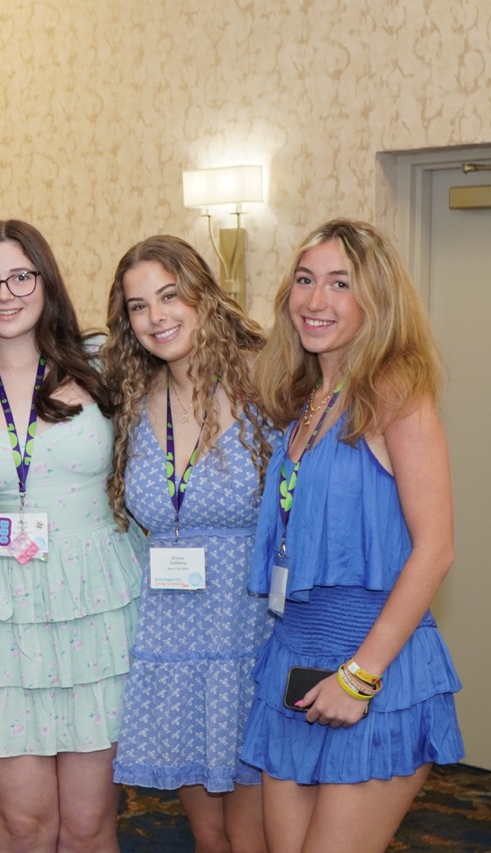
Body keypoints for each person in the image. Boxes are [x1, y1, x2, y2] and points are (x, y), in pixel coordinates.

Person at [241, 219, 463, 852]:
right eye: (305, 281)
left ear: (377, 301)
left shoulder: (393, 390)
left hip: (373, 668)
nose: (316, 301)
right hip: (294, 660)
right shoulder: (308, 398)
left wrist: (359, 677)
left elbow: (436, 548)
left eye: (341, 284)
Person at [0, 220, 145, 853]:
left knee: (88, 827)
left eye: (20, 276)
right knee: (24, 826)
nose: (4, 292)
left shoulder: (102, 360)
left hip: (96, 602)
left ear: (46, 280)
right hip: (4, 609)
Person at [102, 236, 274, 853]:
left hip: (254, 636)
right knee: (209, 840)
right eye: (138, 306)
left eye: (170, 296)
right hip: (174, 643)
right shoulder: (128, 401)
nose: (157, 317)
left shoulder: (269, 385)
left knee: (253, 839)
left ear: (204, 296)